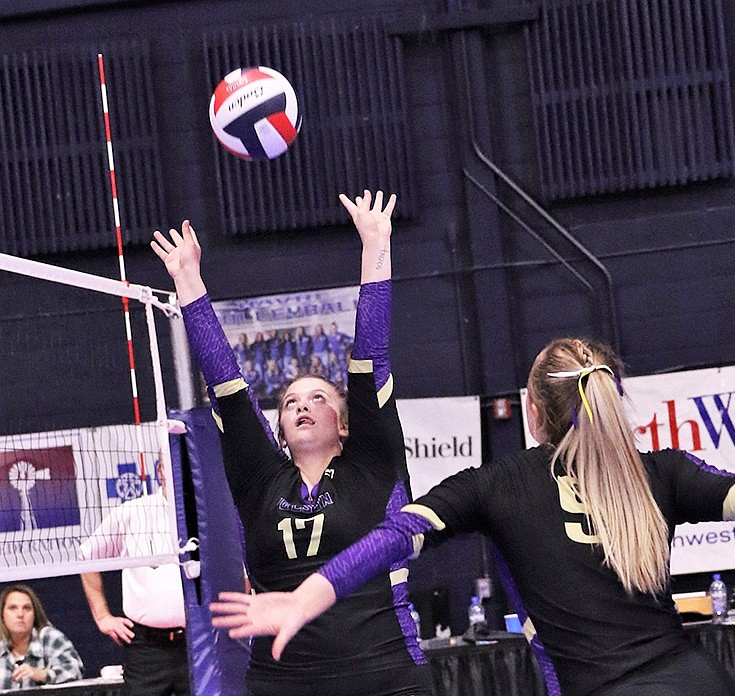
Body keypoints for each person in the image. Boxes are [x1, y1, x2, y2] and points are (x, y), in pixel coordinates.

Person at [209, 338, 735, 696]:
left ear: (533, 415)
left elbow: (392, 538)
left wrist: (306, 594)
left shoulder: (498, 482)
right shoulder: (658, 471)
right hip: (695, 681)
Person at [151, 189, 431, 695]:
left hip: (384, 677)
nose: (302, 405)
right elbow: (227, 386)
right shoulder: (261, 479)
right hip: (284, 682)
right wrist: (188, 280)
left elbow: (371, 354)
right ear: (279, 428)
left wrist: (375, 246)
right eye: (290, 401)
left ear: (345, 424)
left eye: (318, 397)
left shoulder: (372, 463)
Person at [78, 460, 189, 696]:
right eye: (172, 463)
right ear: (160, 470)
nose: (180, 468)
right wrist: (102, 616)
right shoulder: (134, 512)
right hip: (147, 648)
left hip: (198, 641)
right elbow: (87, 555)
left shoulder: (207, 514)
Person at [0, 584, 83, 689]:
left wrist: (42, 675)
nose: (20, 614)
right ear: (2, 615)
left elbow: (75, 670)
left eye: (26, 608)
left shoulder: (49, 638)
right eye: (13, 608)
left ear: (35, 614)